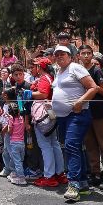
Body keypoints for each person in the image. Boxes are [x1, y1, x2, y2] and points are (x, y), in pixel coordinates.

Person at [51, 45, 99, 202]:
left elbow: (93, 88)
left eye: (62, 54)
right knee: (74, 147)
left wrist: (80, 102)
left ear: (70, 56)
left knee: (71, 147)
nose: (59, 56)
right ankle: (83, 183)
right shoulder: (59, 72)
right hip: (63, 116)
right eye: (56, 54)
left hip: (77, 114)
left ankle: (73, 184)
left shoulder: (75, 68)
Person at [79, 44, 103, 190]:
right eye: (83, 53)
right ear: (79, 56)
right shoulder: (79, 70)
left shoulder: (97, 70)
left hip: (99, 112)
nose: (86, 56)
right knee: (91, 145)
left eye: (88, 53)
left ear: (92, 55)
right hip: (85, 112)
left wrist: (91, 86)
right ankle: (95, 173)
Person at [30, 57, 65, 188]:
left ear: (40, 67)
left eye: (36, 66)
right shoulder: (51, 77)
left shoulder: (45, 78)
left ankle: (49, 176)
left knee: (45, 146)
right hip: (51, 113)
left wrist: (30, 94)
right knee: (54, 144)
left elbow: (43, 94)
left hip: (43, 114)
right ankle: (59, 173)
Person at [4, 103, 27, 185]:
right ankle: (15, 174)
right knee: (20, 161)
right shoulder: (21, 118)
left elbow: (10, 132)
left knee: (17, 162)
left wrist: (8, 129)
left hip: (14, 143)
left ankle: (21, 178)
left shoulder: (11, 119)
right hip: (22, 143)